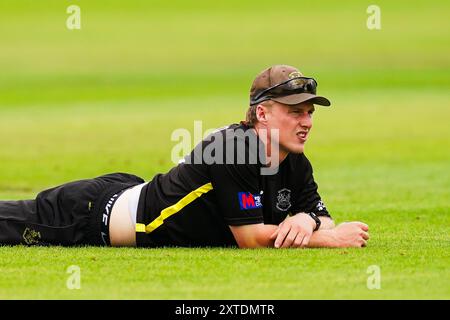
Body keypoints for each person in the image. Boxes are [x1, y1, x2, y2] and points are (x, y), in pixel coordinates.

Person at [0, 65, 369, 249]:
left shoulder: (295, 161)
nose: (305, 122)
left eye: (309, 113)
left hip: (134, 191)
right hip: (93, 214)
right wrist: (328, 239)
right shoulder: (234, 148)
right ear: (262, 113)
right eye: (295, 112)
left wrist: (306, 219)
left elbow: (321, 214)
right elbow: (251, 238)